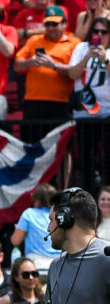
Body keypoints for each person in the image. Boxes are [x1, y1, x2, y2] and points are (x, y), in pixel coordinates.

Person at [14, 6, 82, 140]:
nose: (50, 28)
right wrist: (30, 62)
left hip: (61, 103)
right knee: (32, 146)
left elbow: (77, 72)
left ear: (65, 23)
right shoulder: (34, 40)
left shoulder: (75, 43)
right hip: (33, 103)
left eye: (55, 24)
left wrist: (54, 65)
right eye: (47, 24)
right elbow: (16, 65)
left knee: (62, 147)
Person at [70, 17, 110, 188]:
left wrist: (105, 61)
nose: (99, 35)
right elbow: (72, 74)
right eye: (96, 31)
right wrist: (87, 57)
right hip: (85, 112)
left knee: (108, 158)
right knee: (87, 158)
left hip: (107, 112)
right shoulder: (81, 48)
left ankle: (107, 196)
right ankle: (87, 197)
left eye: (104, 32)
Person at [12, 184, 61, 269]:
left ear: (38, 200)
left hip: (36, 265)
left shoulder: (29, 214)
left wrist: (18, 229)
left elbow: (15, 241)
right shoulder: (60, 214)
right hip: (59, 264)